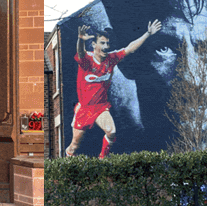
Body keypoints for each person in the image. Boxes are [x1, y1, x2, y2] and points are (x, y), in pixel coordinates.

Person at [68, 19, 164, 157]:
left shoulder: (111, 59)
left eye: (107, 43)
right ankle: (68, 158)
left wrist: (148, 34)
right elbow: (81, 52)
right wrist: (81, 40)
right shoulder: (87, 60)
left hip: (100, 107)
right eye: (102, 43)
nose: (106, 46)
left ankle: (103, 160)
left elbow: (130, 48)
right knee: (75, 145)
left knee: (111, 131)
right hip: (84, 109)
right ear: (94, 45)